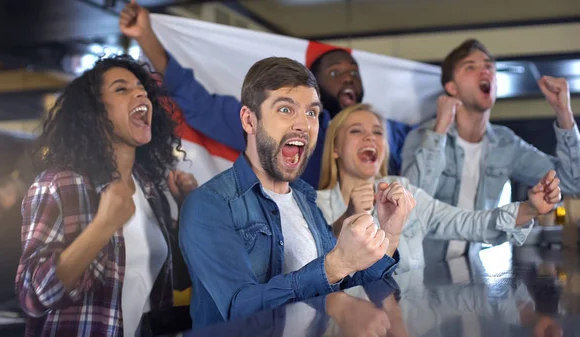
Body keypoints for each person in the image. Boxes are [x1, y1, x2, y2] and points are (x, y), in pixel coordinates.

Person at [178, 57, 415, 328]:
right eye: (285, 110)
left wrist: (389, 234)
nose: (303, 125)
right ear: (249, 120)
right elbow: (238, 307)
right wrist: (333, 266)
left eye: (311, 113)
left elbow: (343, 283)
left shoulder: (304, 199)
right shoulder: (210, 204)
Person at [118, 1, 412, 187]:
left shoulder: (389, 132)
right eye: (334, 73)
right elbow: (201, 106)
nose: (348, 77)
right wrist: (146, 36)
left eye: (353, 72)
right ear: (315, 90)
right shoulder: (275, 127)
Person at [15, 55, 196, 336]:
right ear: (95, 113)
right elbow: (32, 296)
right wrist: (102, 226)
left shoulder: (150, 190)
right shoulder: (59, 185)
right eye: (121, 89)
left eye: (142, 88)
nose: (140, 93)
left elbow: (180, 280)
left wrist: (188, 211)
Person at [316, 103, 561, 272]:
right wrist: (349, 215)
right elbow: (314, 269)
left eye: (378, 132)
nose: (370, 138)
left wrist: (530, 208)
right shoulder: (313, 203)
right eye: (356, 131)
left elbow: (469, 222)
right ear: (335, 148)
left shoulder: (403, 191)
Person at [400, 39, 580, 263]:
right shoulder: (424, 137)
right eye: (470, 67)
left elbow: (572, 183)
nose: (484, 71)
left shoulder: (506, 144)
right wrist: (439, 131)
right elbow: (407, 207)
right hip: (420, 271)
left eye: (489, 66)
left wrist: (564, 112)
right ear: (452, 87)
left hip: (472, 269)